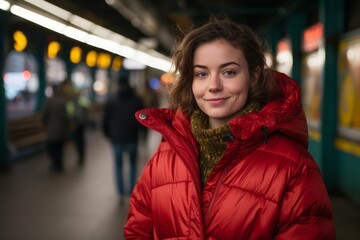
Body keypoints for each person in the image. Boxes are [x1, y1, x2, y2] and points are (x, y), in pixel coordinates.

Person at [124, 17, 336, 239]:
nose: (213, 86)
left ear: (253, 77)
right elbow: (138, 228)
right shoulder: (166, 154)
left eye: (229, 72)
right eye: (202, 74)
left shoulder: (295, 167)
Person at [102, 74, 144, 201]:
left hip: (117, 139)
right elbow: (142, 119)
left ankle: (120, 193)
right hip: (132, 137)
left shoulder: (111, 100)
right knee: (132, 164)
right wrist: (140, 133)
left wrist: (110, 136)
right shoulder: (136, 100)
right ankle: (131, 191)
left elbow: (104, 122)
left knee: (118, 165)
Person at [42, 84, 69, 173]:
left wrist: (43, 123)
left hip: (52, 129)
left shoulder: (50, 101)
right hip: (62, 129)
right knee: (60, 148)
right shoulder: (63, 101)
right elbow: (67, 116)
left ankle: (55, 164)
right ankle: (59, 165)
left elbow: (45, 114)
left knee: (52, 147)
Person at [66, 88, 90, 167]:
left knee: (76, 140)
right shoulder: (83, 100)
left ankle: (79, 155)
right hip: (82, 124)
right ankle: (82, 155)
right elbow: (88, 108)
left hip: (75, 124)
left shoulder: (71, 102)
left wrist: (71, 122)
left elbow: (69, 113)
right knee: (81, 140)